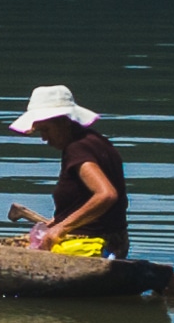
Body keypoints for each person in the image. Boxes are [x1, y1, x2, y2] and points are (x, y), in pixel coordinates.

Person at [10, 84, 126, 255]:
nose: (44, 138)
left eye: (46, 130)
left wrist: (62, 227)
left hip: (90, 244)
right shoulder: (95, 140)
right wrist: (59, 220)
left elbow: (106, 195)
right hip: (115, 241)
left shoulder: (77, 149)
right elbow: (83, 198)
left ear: (64, 121)